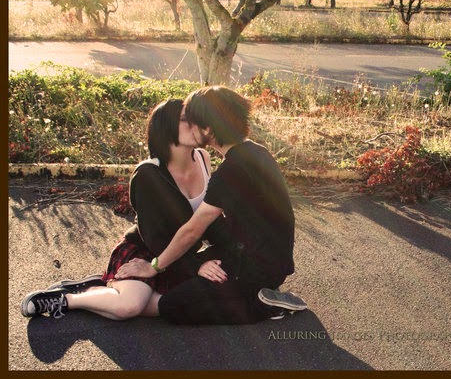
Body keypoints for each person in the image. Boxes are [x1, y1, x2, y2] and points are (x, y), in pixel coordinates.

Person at [115, 85, 307, 324]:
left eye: (192, 121)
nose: (190, 126)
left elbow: (193, 229)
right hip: (268, 260)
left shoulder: (231, 170)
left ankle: (260, 305)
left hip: (252, 266)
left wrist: (152, 267)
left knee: (173, 304)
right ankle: (257, 295)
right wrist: (197, 264)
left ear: (208, 128)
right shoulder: (257, 152)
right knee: (186, 274)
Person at [21, 99, 217, 320]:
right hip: (146, 253)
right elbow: (154, 237)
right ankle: (68, 298)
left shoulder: (203, 158)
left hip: (180, 254)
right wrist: (194, 266)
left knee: (182, 304)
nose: (195, 125)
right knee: (129, 307)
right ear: (166, 126)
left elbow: (209, 217)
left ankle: (102, 287)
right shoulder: (148, 174)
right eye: (184, 119)